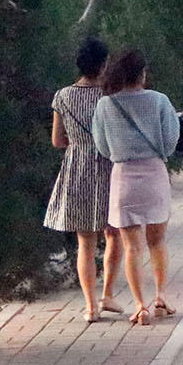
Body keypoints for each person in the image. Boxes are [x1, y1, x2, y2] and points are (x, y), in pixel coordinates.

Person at [91, 49, 179, 327]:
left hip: (124, 178)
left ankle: (140, 306)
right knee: (157, 242)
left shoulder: (106, 106)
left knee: (131, 248)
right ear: (142, 73)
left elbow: (102, 147)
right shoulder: (160, 101)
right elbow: (170, 142)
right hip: (154, 174)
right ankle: (161, 296)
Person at [43, 37, 122, 322]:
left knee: (84, 243)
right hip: (109, 165)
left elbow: (56, 140)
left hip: (76, 168)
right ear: (103, 64)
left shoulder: (62, 96)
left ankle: (89, 307)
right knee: (114, 233)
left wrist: (78, 143)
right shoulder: (110, 95)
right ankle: (108, 294)